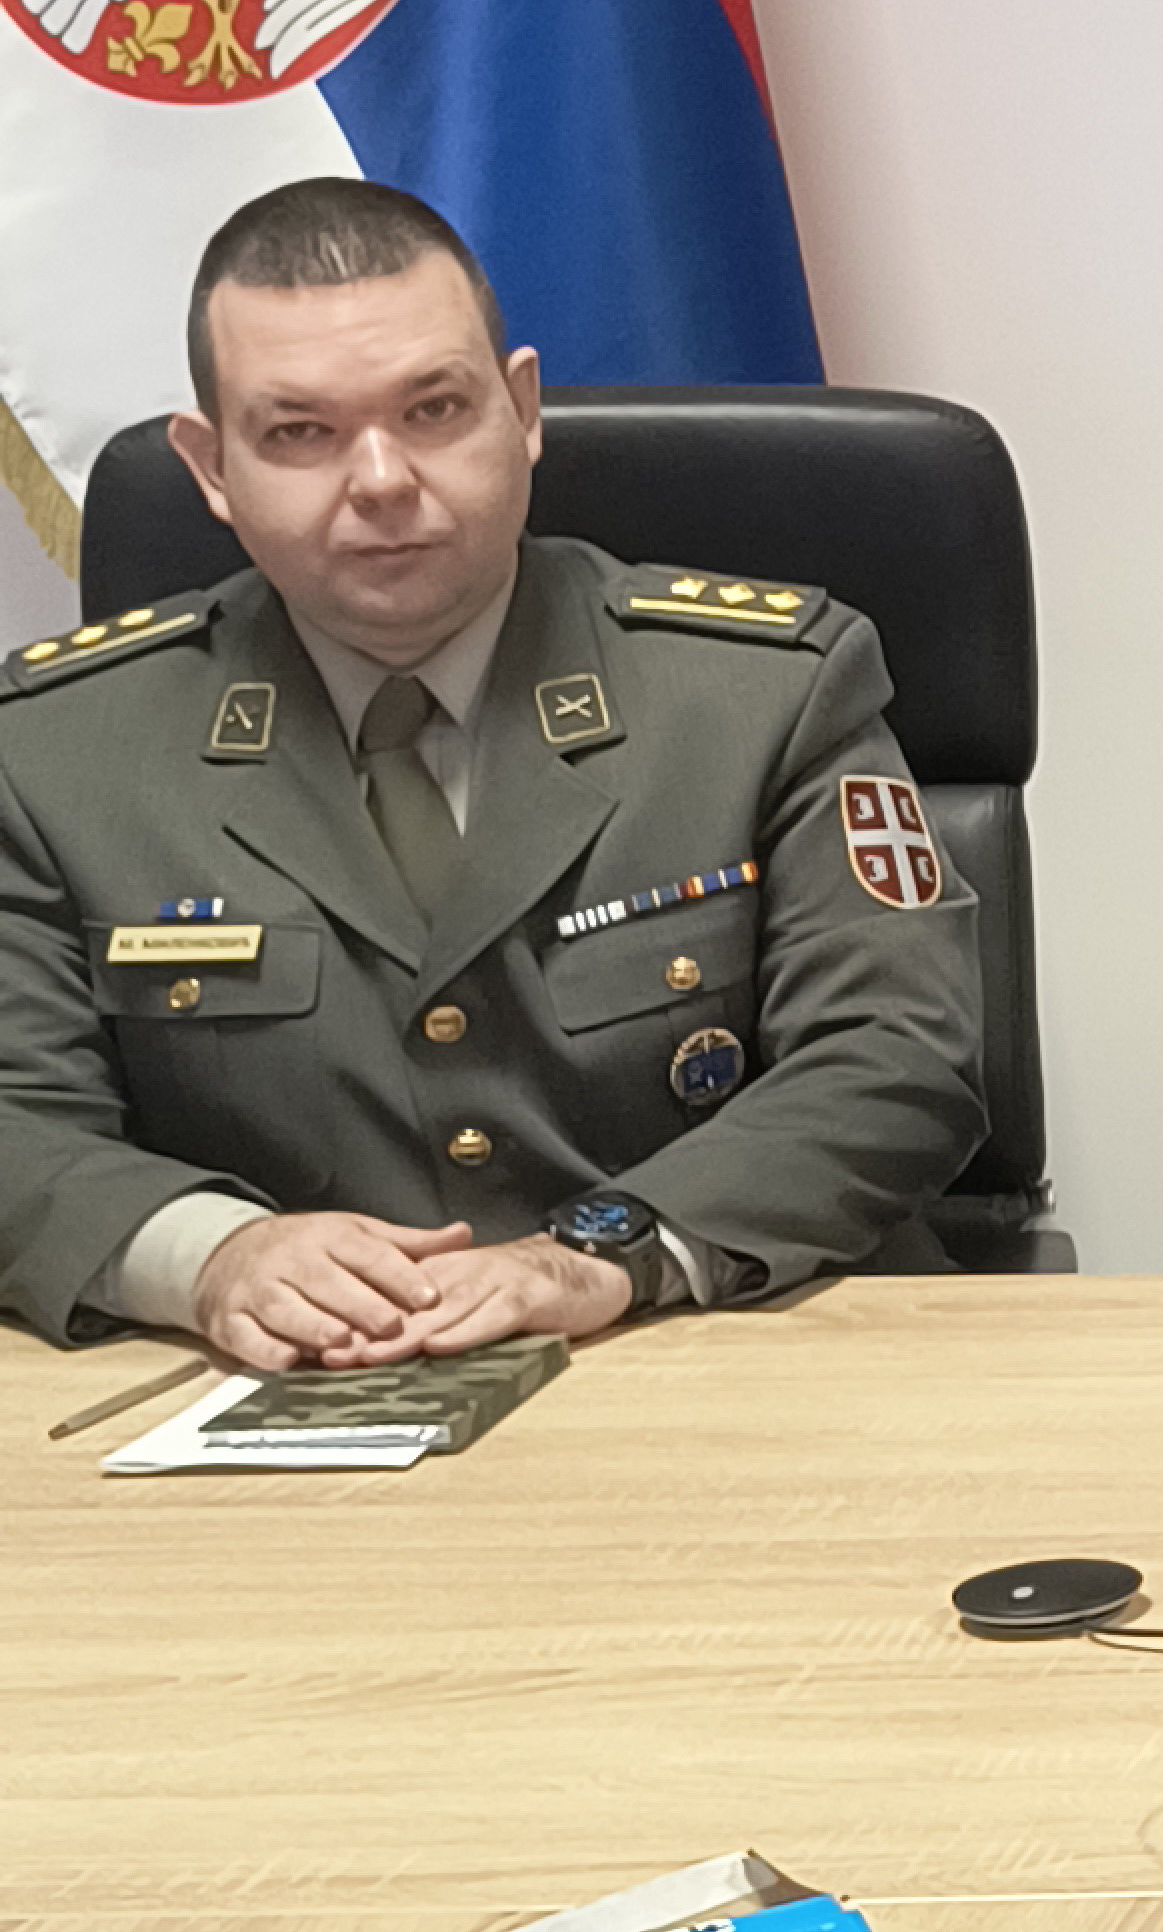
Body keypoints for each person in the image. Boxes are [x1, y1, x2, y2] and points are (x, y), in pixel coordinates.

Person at [0, 179, 978, 1359]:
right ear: (210, 467)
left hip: (716, 1353)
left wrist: (598, 1256)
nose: (380, 479)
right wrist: (209, 1257)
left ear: (519, 411)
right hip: (283, 1387)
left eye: (433, 410)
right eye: (299, 432)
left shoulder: (763, 692)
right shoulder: (55, 752)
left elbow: (892, 1059)